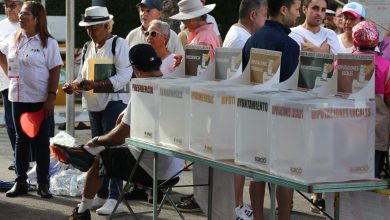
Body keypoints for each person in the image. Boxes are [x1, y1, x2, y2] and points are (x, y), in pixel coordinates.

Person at [67, 44, 183, 220]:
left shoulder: (143, 91)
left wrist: (95, 142)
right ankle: (100, 184)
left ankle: (83, 210)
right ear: (158, 63)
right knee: (110, 149)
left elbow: (119, 135)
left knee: (102, 158)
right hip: (175, 168)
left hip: (151, 169)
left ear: (135, 70)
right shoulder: (175, 85)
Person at [62, 6, 132, 215]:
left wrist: (96, 84)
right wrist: (73, 85)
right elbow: (82, 75)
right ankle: (101, 193)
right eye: (88, 28)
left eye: (94, 27)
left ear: (106, 25)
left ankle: (114, 196)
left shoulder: (119, 43)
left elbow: (124, 77)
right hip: (94, 105)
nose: (91, 32)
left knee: (112, 151)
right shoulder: (87, 46)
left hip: (114, 103)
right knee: (97, 152)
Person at [242, 0, 301, 219]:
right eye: (296, 10)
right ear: (283, 10)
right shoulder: (289, 44)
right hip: (281, 119)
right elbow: (290, 88)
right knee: (283, 175)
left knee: (257, 174)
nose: (298, 16)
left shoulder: (251, 40)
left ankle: (258, 217)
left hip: (254, 116)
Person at [0, 1, 63, 198]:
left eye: (25, 14)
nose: (20, 17)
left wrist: (51, 97)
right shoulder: (13, 37)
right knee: (21, 140)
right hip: (17, 97)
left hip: (40, 98)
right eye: (21, 14)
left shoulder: (48, 42)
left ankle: (43, 183)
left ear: (37, 19)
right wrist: (8, 73)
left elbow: (55, 70)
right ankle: (21, 182)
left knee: (41, 141)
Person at [169, 0, 222, 214]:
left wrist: (184, 66)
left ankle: (204, 197)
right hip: (203, 103)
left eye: (184, 19)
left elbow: (201, 73)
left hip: (204, 104)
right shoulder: (202, 34)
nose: (183, 23)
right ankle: (202, 196)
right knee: (202, 155)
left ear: (191, 19)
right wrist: (184, 63)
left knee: (203, 154)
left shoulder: (205, 36)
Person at [223, 0, 268, 219]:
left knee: (238, 158)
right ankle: (237, 207)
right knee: (238, 159)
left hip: (234, 105)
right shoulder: (242, 38)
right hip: (237, 106)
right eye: (264, 16)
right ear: (253, 15)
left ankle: (237, 206)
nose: (266, 21)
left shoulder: (235, 33)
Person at [352, 21, 390, 179]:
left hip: (345, 133)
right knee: (370, 183)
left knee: (345, 180)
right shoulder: (386, 66)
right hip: (376, 135)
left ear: (355, 41)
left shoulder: (340, 62)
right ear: (376, 41)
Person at [0, 0, 23, 171]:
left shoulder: (31, 24)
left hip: (30, 83)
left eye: (13, 4)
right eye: (6, 5)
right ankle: (18, 157)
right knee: (11, 121)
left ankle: (29, 157)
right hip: (7, 81)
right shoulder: (1, 26)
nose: (9, 8)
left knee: (29, 120)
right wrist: (10, 76)